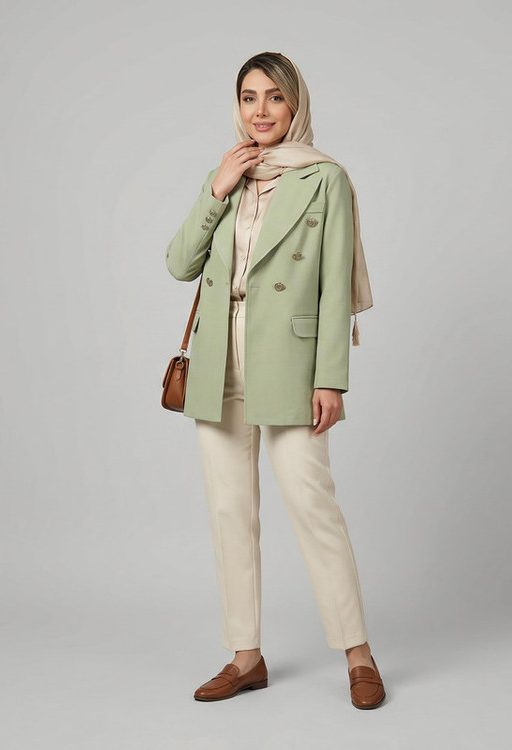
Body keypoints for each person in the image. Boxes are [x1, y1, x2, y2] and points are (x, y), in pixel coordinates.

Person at [165, 51, 384, 709]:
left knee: (313, 505)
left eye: (274, 97)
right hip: (219, 359)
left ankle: (358, 654)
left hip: (288, 360)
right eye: (248, 97)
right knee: (230, 511)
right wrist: (216, 190)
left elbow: (334, 285)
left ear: (296, 105)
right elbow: (179, 264)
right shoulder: (226, 175)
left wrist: (331, 379)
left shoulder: (324, 178)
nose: (260, 111)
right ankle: (246, 657)